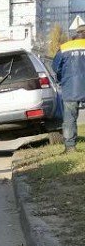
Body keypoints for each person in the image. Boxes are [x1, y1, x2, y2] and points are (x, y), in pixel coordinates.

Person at [52, 18, 85, 152]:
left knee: (70, 118)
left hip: (71, 87)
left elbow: (56, 67)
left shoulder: (65, 48)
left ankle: (70, 147)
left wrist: (62, 79)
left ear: (76, 34)